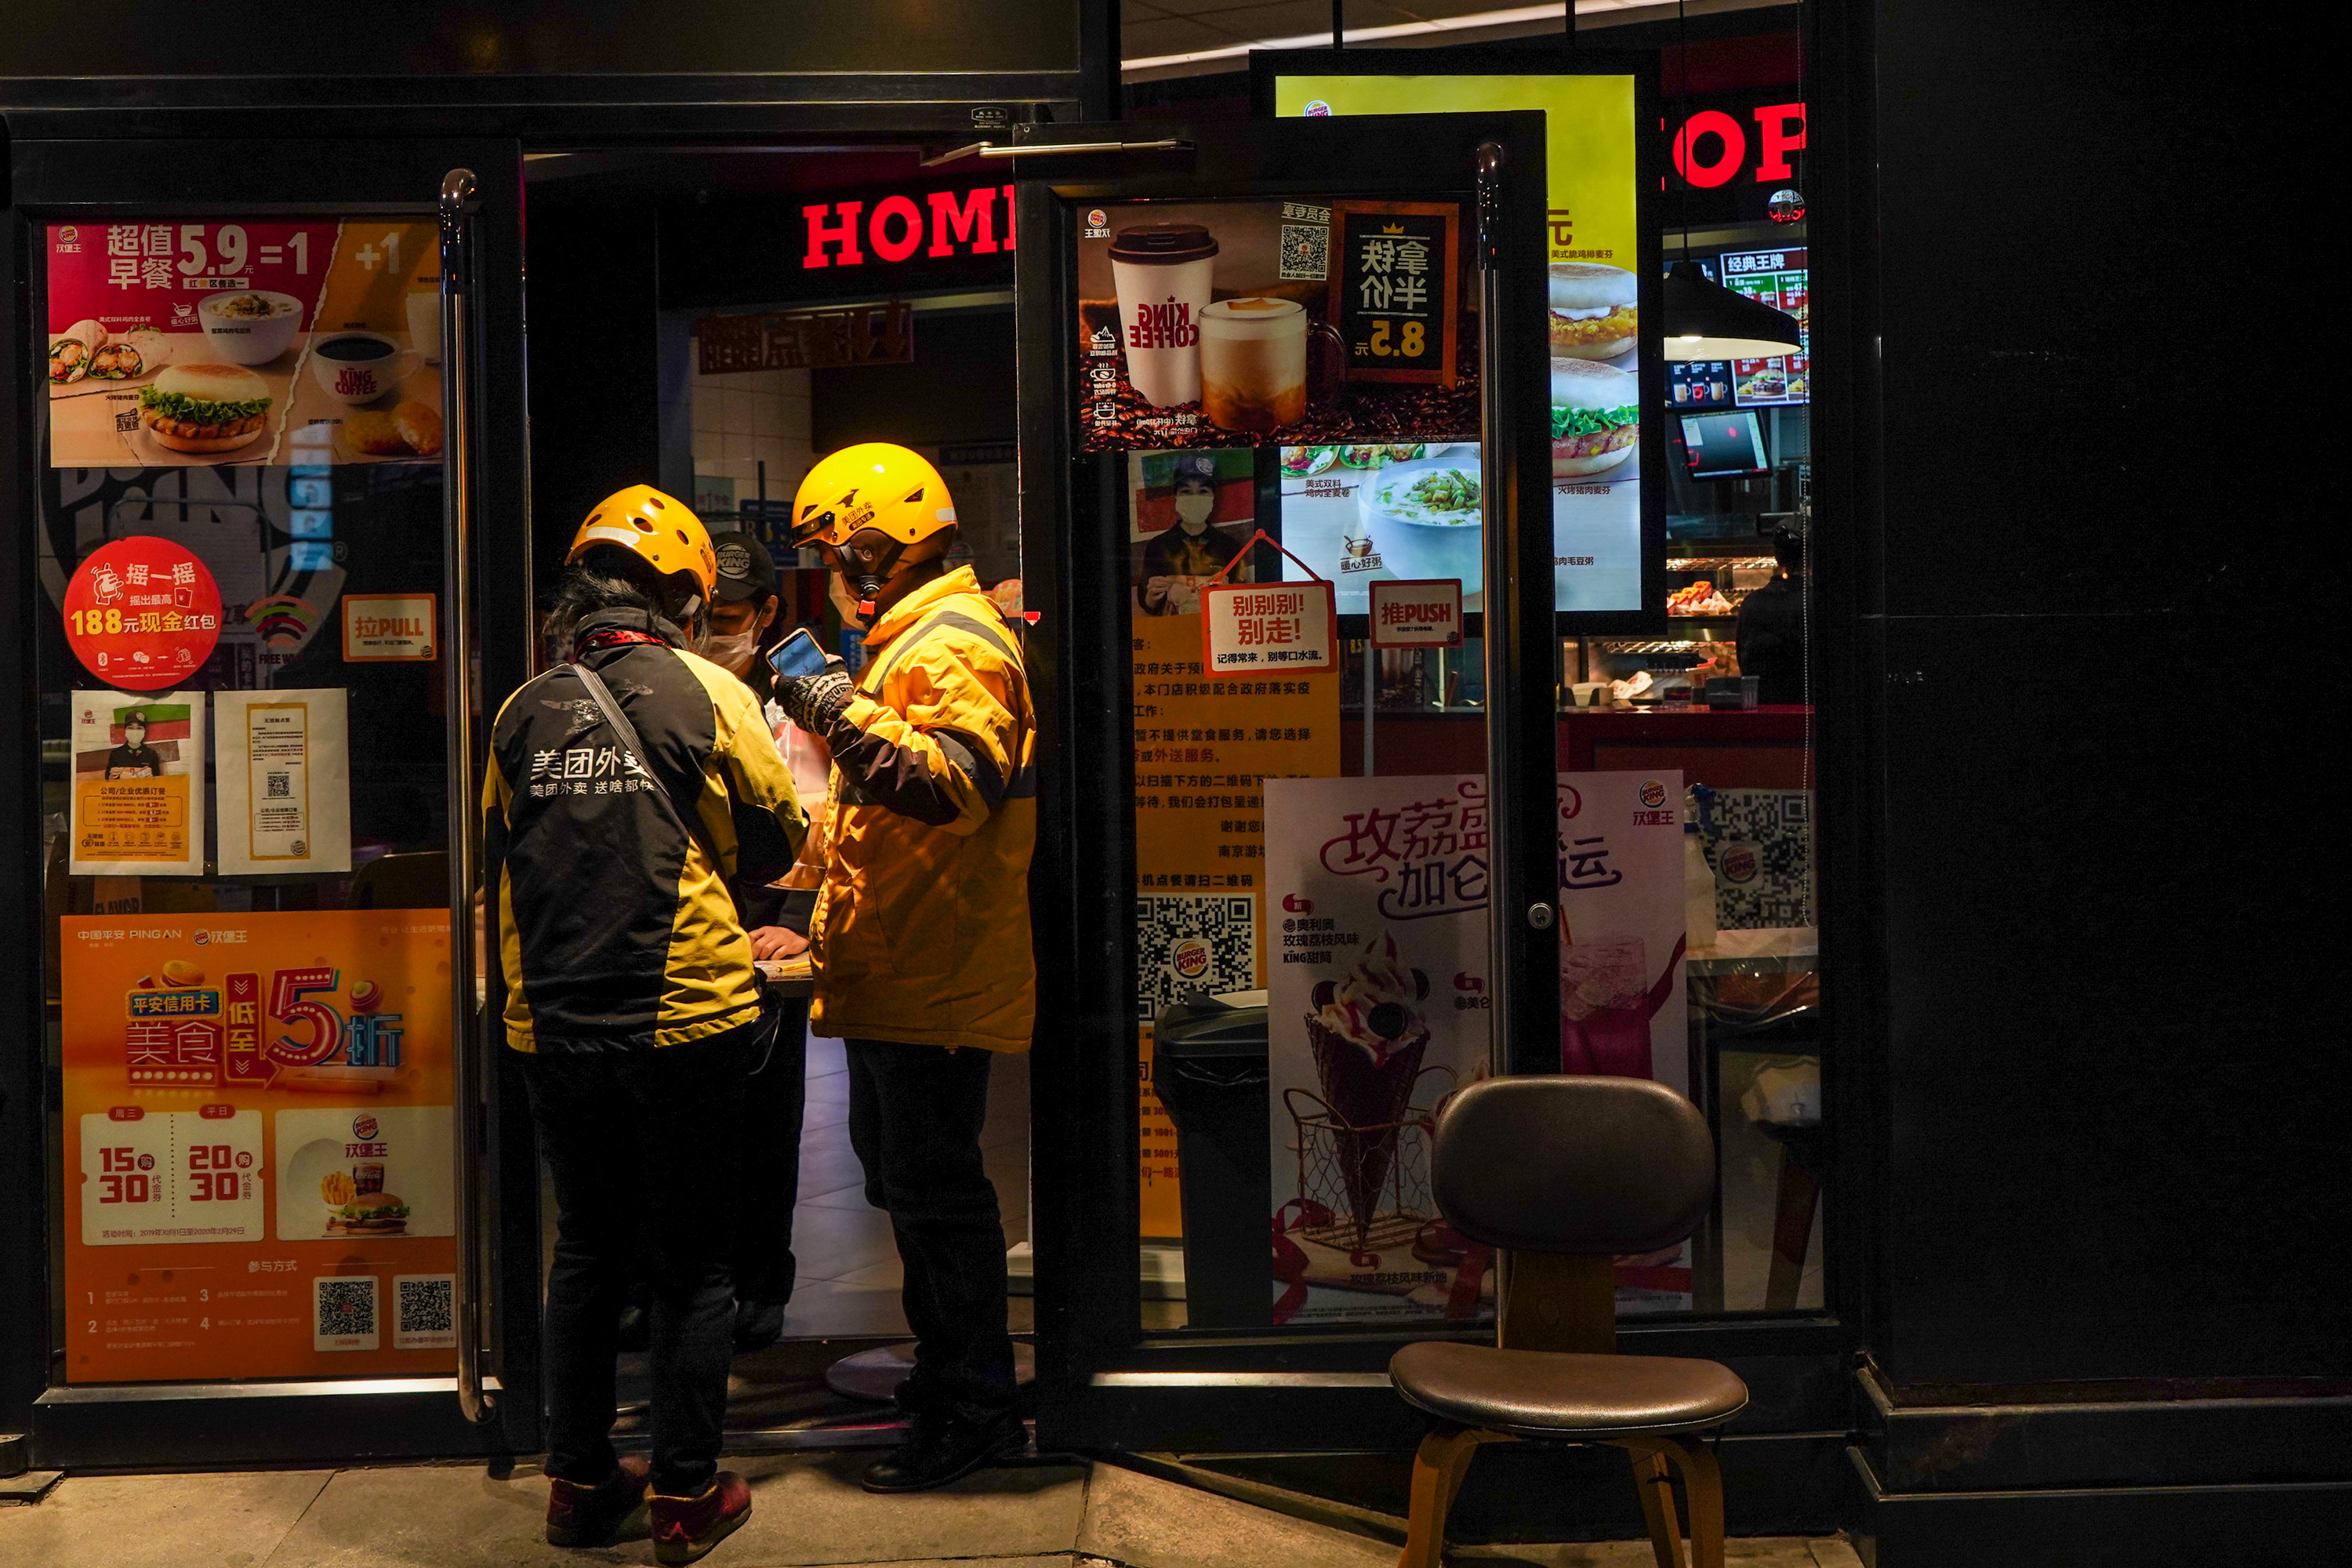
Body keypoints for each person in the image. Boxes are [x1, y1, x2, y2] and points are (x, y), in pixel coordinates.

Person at [484, 484, 806, 1564]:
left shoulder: (520, 709)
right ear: (678, 597)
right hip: (687, 1022)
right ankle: (684, 1494)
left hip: (557, 1025)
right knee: (691, 1268)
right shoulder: (709, 691)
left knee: (585, 1253)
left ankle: (577, 1486)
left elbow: (499, 853)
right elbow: (775, 843)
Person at [771, 442, 1037, 1493]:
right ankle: (950, 1382)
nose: (831, 576)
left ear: (872, 549)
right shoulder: (911, 640)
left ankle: (974, 1408)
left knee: (939, 1199)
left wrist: (827, 702)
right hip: (904, 960)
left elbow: (954, 785)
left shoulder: (952, 640)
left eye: (836, 555)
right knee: (911, 1187)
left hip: (940, 967)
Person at [1136, 453, 1243, 615]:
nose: (1195, 498)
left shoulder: (1230, 546)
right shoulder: (1158, 546)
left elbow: (1243, 599)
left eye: (1203, 491)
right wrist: (1152, 597)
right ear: (1176, 497)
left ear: (1213, 497)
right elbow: (1146, 603)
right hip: (1174, 633)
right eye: (1186, 491)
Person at [702, 529, 784, 706]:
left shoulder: (783, 699)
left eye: (725, 618)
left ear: (768, 611)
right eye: (699, 618)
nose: (707, 633)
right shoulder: (670, 683)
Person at [1734, 521, 1809, 705]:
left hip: (1764, 704)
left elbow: (1743, 660)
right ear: (1808, 558)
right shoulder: (1813, 601)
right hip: (1807, 703)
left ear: (1776, 557)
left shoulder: (1751, 603)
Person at [103, 710, 165, 778]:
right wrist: (111, 776)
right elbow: (107, 779)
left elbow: (158, 780)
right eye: (130, 728)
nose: (135, 731)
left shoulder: (151, 754)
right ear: (125, 730)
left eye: (139, 728)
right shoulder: (116, 754)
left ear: (144, 731)